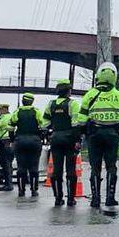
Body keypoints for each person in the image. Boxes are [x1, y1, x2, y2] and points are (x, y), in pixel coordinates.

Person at [80, 61, 119, 209]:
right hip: (112, 134)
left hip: (94, 135)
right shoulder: (118, 95)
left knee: (95, 167)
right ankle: (110, 198)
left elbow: (81, 118)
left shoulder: (90, 95)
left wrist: (83, 133)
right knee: (111, 166)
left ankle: (95, 199)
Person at [45, 78, 85, 207]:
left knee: (56, 170)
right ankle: (70, 199)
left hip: (56, 138)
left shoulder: (50, 104)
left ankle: (58, 198)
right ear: (69, 91)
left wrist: (51, 132)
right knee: (70, 169)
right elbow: (76, 124)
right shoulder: (72, 104)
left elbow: (45, 123)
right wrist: (77, 140)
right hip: (69, 139)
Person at [10, 92, 47, 198]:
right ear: (32, 101)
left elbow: (10, 127)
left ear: (23, 101)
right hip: (34, 141)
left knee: (21, 167)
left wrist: (13, 140)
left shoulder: (17, 112)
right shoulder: (36, 112)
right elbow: (43, 126)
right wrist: (42, 138)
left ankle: (21, 190)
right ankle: (34, 190)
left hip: (20, 141)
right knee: (34, 166)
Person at [0, 103, 15, 191]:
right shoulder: (10, 116)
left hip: (5, 142)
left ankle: (8, 185)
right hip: (9, 142)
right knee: (8, 163)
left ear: (4, 109)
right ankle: (8, 183)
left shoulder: (4, 118)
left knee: (6, 163)